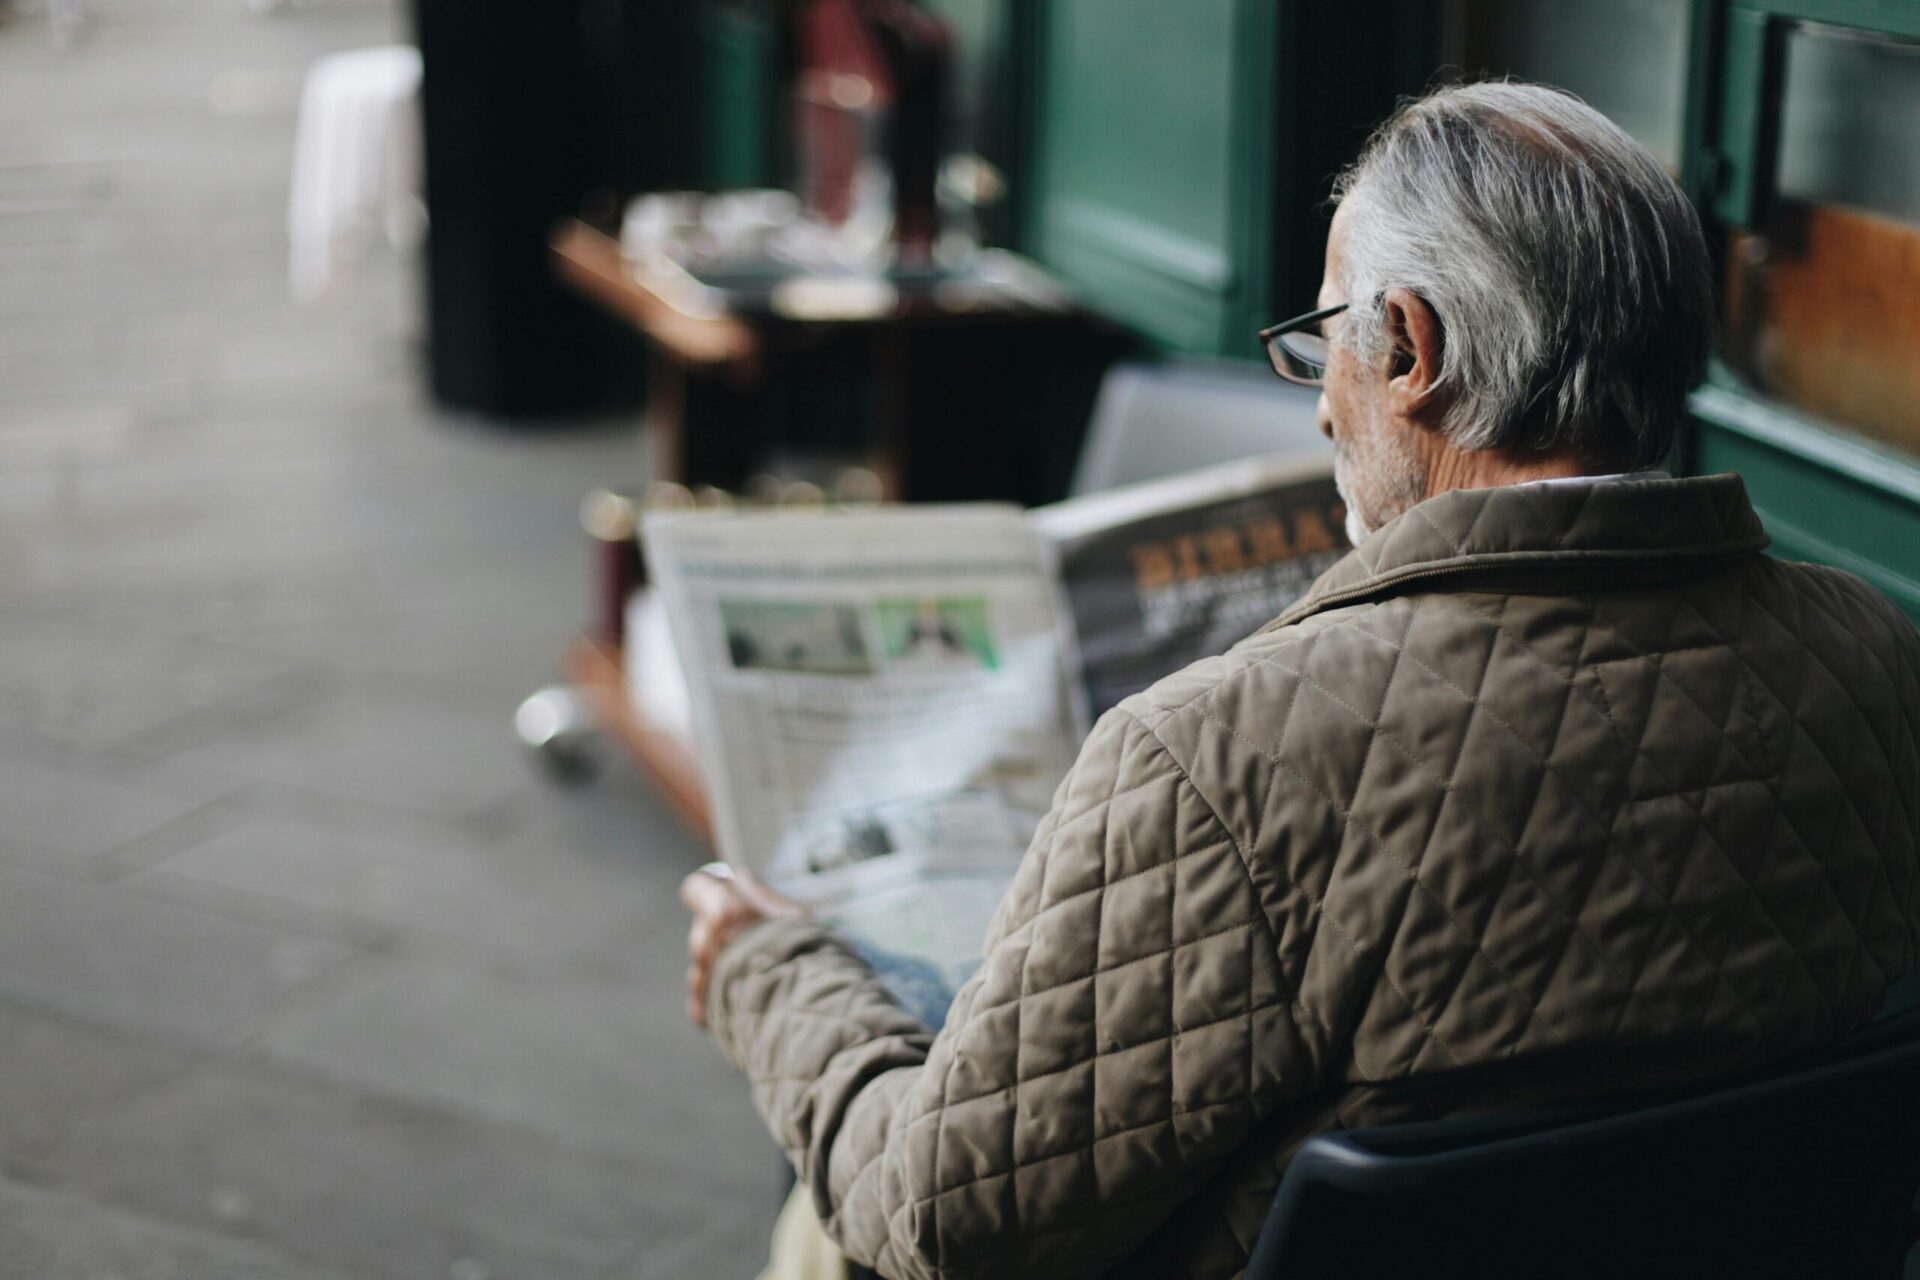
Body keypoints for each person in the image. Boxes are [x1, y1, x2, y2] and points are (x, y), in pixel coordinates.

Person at [678, 81, 1920, 1280]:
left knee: (836, 1201)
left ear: (1411, 346)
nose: (1323, 409)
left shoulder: (1219, 759)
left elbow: (945, 1224)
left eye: (1327, 334)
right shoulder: (1876, 655)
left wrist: (766, 971)